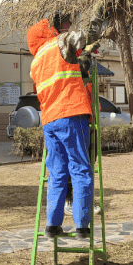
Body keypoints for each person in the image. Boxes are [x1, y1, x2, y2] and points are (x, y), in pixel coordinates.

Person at [28, 13, 94, 241]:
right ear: (51, 32)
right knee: (80, 168)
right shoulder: (60, 43)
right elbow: (84, 37)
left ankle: (52, 225)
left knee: (57, 173)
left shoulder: (35, 62)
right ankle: (82, 227)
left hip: (49, 120)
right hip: (71, 112)